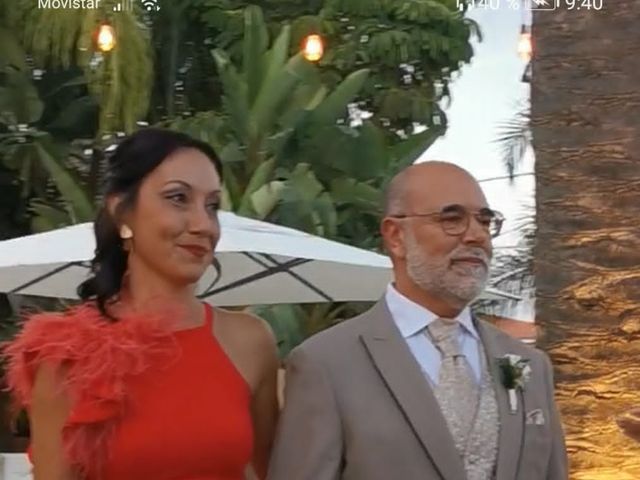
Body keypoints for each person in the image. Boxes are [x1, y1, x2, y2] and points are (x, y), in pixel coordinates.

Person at [4, 129, 279, 480]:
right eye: (178, 198)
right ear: (122, 213)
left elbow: (271, 470)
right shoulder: (67, 355)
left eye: (212, 206)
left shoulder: (250, 342)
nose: (203, 224)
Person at [268, 162, 568, 480]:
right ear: (396, 236)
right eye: (452, 219)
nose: (477, 235)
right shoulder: (327, 364)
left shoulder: (529, 365)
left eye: (485, 220)